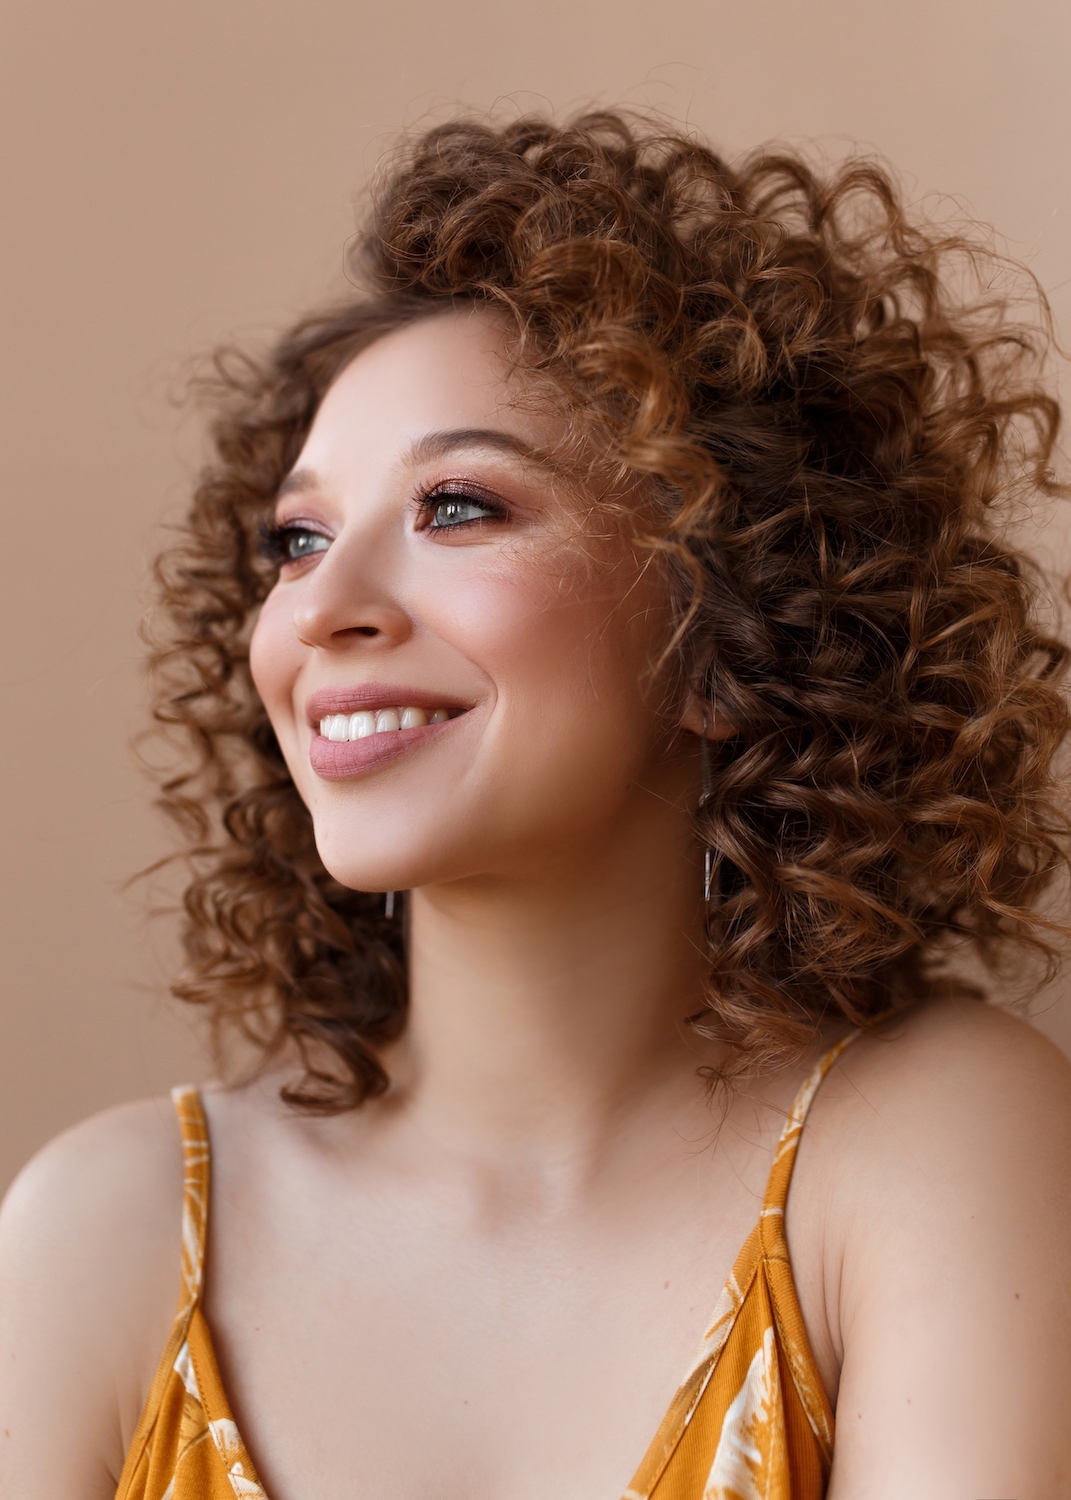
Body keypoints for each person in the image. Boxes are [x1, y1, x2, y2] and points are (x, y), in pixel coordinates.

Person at [2, 110, 1071, 1500]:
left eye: (459, 507)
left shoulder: (935, 1140)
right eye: (299, 540)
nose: (320, 609)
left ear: (727, 634)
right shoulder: (103, 1231)